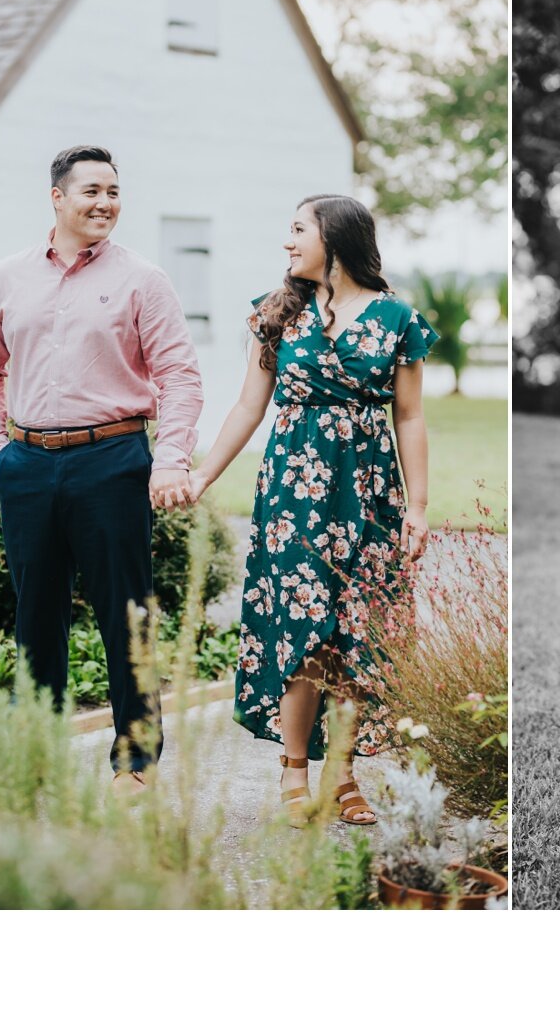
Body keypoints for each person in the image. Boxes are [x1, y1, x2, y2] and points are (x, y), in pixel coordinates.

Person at [180, 194, 436, 826]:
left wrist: (420, 507)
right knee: (302, 629)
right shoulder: (276, 315)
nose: (288, 243)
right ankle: (295, 768)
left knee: (357, 632)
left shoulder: (397, 319)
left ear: (336, 237)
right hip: (294, 493)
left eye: (298, 230)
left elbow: (409, 416)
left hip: (369, 492)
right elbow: (248, 406)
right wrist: (204, 473)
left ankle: (343, 772)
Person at [0, 145, 203, 793]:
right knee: (35, 614)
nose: (105, 203)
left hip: (114, 460)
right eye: (92, 191)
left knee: (126, 613)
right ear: (57, 197)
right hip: (28, 464)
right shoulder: (8, 276)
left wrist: (170, 459)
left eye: (114, 192)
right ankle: (35, 751)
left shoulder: (143, 280)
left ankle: (136, 759)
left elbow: (179, 373)